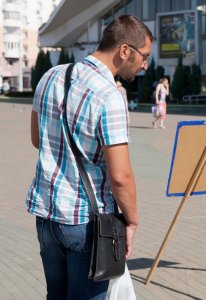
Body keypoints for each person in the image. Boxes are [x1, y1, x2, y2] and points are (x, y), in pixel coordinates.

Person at [26, 15, 153, 300]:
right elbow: (120, 177)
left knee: (55, 295)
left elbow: (37, 139)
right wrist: (132, 221)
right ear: (124, 50)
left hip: (46, 216)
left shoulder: (51, 76)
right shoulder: (110, 95)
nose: (145, 64)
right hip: (86, 222)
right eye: (144, 56)